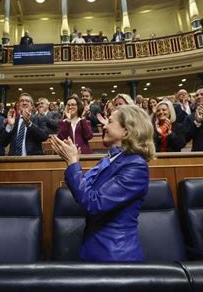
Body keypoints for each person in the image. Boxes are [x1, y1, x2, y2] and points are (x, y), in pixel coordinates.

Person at [50, 105, 155, 261]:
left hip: (115, 256)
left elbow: (94, 203)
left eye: (110, 122)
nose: (104, 126)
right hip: (94, 249)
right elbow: (84, 190)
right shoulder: (111, 159)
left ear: (126, 130)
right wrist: (73, 162)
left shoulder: (135, 166)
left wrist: (72, 163)